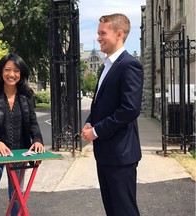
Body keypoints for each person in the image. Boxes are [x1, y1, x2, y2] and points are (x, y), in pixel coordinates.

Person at [81, 13, 143, 216]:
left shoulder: (129, 65)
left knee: (124, 211)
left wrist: (97, 131)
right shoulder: (106, 66)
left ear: (119, 34)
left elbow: (130, 109)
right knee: (113, 210)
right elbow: (100, 105)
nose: (98, 38)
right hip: (106, 153)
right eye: (98, 33)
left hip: (121, 155)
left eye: (102, 33)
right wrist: (90, 123)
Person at [0, 52, 45, 216]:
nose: (12, 74)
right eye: (7, 70)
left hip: (19, 155)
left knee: (17, 200)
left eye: (16, 70)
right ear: (1, 72)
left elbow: (33, 123)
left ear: (21, 73)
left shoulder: (26, 95)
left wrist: (38, 140)